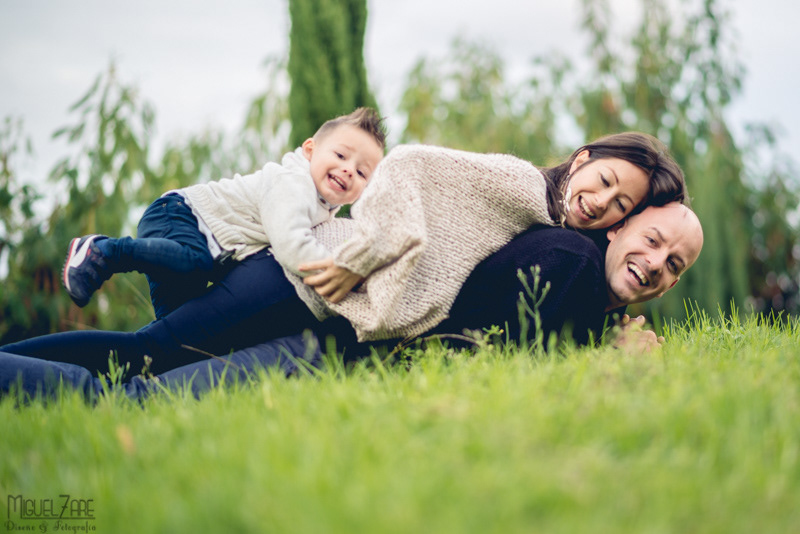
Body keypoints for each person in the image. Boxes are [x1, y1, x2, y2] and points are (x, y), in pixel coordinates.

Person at [2, 132, 687, 377]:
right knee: (146, 355)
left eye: (620, 205)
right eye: (604, 183)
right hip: (308, 276)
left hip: (325, 298)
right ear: (584, 158)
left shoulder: (542, 224)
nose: (602, 203)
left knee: (155, 361)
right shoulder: (515, 184)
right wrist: (369, 255)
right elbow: (412, 165)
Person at [0, 202, 704, 400]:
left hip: (321, 320)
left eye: (674, 265)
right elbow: (519, 347)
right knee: (135, 383)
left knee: (139, 363)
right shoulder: (571, 261)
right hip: (313, 307)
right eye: (652, 241)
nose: (656, 265)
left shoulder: (569, 259)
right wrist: (614, 356)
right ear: (619, 228)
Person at [62, 107, 386, 318]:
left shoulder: (322, 208)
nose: (347, 171)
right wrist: (340, 271)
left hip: (188, 235)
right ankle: (104, 251)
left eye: (361, 173)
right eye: (341, 155)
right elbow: (291, 244)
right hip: (183, 216)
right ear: (310, 149)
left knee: (177, 326)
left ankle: (146, 381)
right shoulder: (294, 183)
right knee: (196, 263)